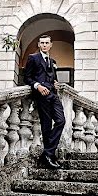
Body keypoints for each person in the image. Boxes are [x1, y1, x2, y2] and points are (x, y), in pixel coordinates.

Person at [23, 33, 66, 169]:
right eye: (42, 43)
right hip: (41, 96)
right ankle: (49, 156)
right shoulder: (33, 58)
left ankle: (47, 152)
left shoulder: (53, 62)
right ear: (38, 45)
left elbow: (53, 78)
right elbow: (27, 78)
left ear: (51, 45)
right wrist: (38, 86)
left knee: (61, 121)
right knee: (46, 126)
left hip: (53, 95)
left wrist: (55, 84)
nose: (44, 45)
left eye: (47, 43)